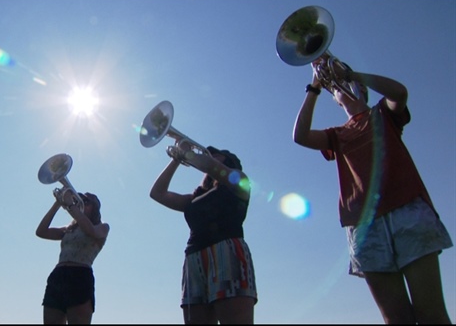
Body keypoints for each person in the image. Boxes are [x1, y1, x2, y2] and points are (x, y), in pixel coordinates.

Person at [292, 56, 453, 324]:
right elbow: (300, 136)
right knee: (396, 319)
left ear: (363, 90)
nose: (344, 88)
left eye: (350, 85)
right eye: (339, 88)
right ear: (336, 99)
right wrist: (316, 85)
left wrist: (353, 74)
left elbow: (399, 92)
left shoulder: (382, 114)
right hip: (364, 227)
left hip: (407, 212)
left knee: (431, 314)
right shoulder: (336, 135)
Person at [149, 142, 257, 324]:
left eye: (218, 155)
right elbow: (157, 193)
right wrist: (176, 159)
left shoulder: (240, 181)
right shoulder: (195, 198)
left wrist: (190, 154)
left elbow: (211, 167)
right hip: (194, 258)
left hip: (227, 252)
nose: (211, 156)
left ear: (230, 162)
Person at [36, 190, 109, 324]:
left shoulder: (102, 227)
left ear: (95, 208)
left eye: (86, 201)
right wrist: (57, 204)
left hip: (80, 276)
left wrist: (70, 204)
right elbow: (41, 231)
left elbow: (90, 231)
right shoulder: (69, 228)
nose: (81, 202)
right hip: (58, 276)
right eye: (79, 200)